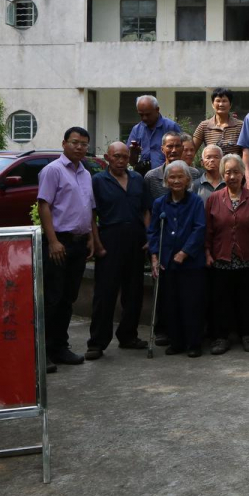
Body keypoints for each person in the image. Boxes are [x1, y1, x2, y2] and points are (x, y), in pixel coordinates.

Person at [36, 126, 96, 370]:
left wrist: (91, 236)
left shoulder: (85, 172)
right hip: (59, 242)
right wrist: (52, 241)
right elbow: (44, 206)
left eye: (84, 143)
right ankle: (43, 352)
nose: (80, 147)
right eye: (75, 142)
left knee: (68, 298)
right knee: (53, 297)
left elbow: (88, 208)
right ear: (64, 143)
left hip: (79, 242)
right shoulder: (53, 170)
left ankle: (60, 347)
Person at [86, 141, 150, 361]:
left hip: (135, 239)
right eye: (116, 157)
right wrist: (96, 242)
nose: (121, 161)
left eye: (124, 156)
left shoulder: (137, 180)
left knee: (134, 292)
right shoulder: (98, 181)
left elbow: (145, 211)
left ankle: (128, 336)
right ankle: (97, 342)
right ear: (107, 157)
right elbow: (90, 214)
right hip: (109, 240)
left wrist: (149, 237)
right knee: (105, 293)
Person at [204, 153, 249, 355]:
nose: (232, 176)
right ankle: (221, 337)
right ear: (223, 175)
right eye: (228, 172)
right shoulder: (214, 199)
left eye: (236, 172)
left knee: (248, 299)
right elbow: (208, 230)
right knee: (220, 299)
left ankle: (248, 335)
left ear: (242, 174)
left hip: (248, 257)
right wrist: (207, 252)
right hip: (221, 257)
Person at [148, 160, 206, 357]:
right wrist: (154, 257)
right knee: (170, 303)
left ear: (188, 179)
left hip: (191, 263)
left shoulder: (196, 202)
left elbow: (199, 229)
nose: (176, 180)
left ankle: (194, 343)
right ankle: (177, 342)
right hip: (166, 262)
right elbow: (153, 231)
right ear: (166, 181)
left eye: (180, 176)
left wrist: (184, 252)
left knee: (191, 303)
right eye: (171, 177)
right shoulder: (159, 204)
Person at [128, 95, 182, 171]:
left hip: (167, 174)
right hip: (144, 175)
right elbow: (132, 162)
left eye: (148, 114)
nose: (144, 118)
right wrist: (133, 152)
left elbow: (183, 152)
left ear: (157, 110)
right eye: (141, 115)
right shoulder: (137, 129)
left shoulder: (171, 127)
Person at [144, 132, 201, 201]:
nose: (174, 150)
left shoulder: (194, 174)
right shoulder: (151, 177)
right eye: (170, 146)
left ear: (182, 148)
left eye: (177, 146)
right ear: (162, 149)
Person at [191, 87, 243, 156]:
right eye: (218, 101)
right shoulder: (204, 126)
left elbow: (246, 152)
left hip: (233, 166)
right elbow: (191, 150)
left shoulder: (241, 125)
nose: (221, 104)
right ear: (212, 104)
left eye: (224, 101)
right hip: (212, 166)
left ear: (230, 104)